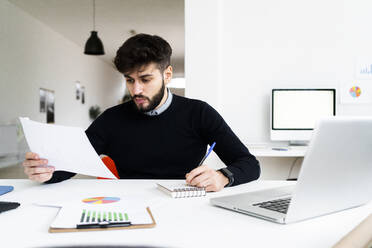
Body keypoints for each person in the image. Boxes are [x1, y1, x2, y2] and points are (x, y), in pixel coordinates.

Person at [23, 34, 260, 192]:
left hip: (185, 205)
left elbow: (249, 164)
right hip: (128, 206)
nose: (136, 90)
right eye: (129, 80)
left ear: (167, 75)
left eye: (145, 79)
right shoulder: (111, 119)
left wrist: (222, 177)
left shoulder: (199, 113)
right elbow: (70, 164)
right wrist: (45, 173)